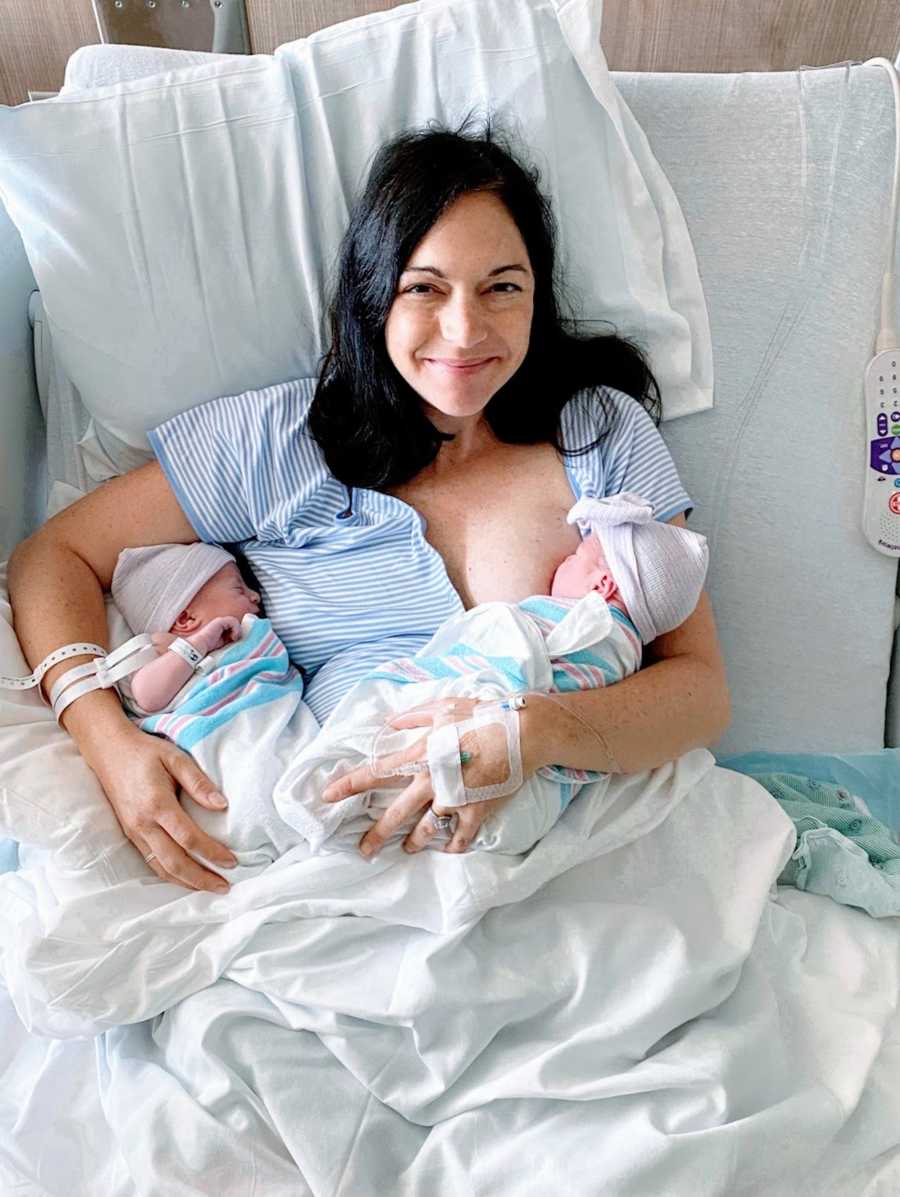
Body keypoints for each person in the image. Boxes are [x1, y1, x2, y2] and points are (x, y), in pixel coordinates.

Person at [7, 120, 731, 894]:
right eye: (424, 287)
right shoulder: (277, 441)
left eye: (503, 287)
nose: (465, 330)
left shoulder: (597, 433)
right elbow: (53, 556)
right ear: (373, 293)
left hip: (565, 856)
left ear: (537, 297)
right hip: (347, 859)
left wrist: (536, 736)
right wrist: (107, 739)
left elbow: (699, 688)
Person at [278, 491, 709, 856]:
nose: (564, 559)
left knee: (380, 751)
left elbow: (521, 668)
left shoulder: (586, 627)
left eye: (577, 556)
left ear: (602, 588)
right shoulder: (621, 650)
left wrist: (512, 726)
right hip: (509, 791)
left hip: (493, 731)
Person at [108, 543, 318, 881]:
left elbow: (270, 673)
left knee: (288, 774)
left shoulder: (251, 638)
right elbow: (147, 696)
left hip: (261, 718)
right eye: (239, 588)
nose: (255, 598)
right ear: (186, 618)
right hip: (213, 739)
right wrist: (197, 645)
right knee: (249, 791)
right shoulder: (167, 654)